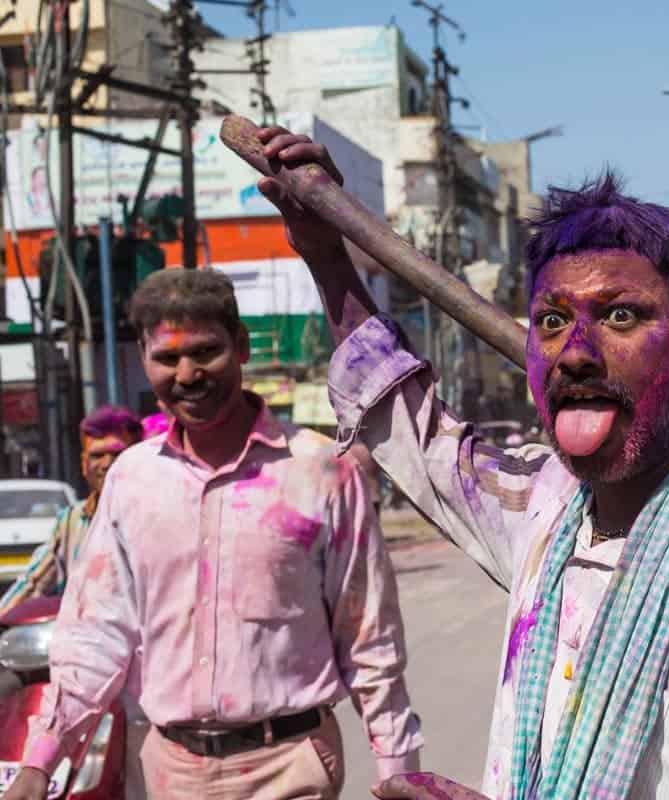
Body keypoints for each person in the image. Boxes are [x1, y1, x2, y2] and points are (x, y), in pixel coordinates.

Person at [257, 125, 669, 799]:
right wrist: (326, 254)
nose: (575, 352)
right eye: (551, 322)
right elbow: (405, 422)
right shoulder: (547, 511)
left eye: (618, 316)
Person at [2, 269, 422, 800]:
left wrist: (398, 770)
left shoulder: (322, 471)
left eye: (205, 352)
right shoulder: (132, 480)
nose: (188, 374)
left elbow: (369, 636)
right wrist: (42, 761)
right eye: (167, 359)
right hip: (171, 772)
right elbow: (95, 636)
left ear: (241, 346)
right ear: (143, 359)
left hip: (291, 767)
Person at [0, 406, 142, 617]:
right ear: (84, 465)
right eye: (97, 455)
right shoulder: (72, 521)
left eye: (117, 453)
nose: (107, 464)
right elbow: (35, 582)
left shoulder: (156, 514)